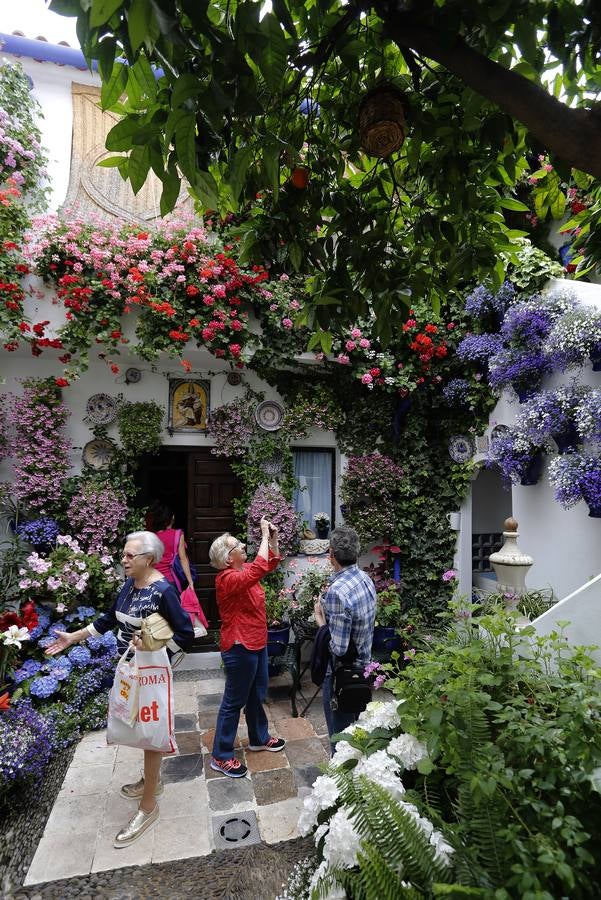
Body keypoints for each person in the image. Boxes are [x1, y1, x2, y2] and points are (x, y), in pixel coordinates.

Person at [45, 531, 194, 848]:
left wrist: (157, 651)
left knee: (152, 733)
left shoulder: (163, 590)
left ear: (148, 560)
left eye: (129, 555)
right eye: (124, 554)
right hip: (129, 669)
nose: (123, 560)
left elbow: (186, 633)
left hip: (152, 670)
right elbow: (108, 619)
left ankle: (148, 807)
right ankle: (151, 781)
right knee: (140, 727)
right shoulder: (130, 584)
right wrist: (74, 636)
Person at [208, 516, 286, 778]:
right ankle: (221, 755)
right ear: (228, 559)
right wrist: (263, 536)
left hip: (257, 641)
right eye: (237, 545)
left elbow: (270, 562)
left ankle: (258, 737)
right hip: (239, 645)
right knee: (234, 701)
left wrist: (273, 539)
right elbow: (260, 567)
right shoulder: (226, 579)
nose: (243, 545)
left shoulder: (243, 571)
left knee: (256, 693)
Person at [313, 525, 376, 750]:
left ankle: (341, 784)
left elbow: (338, 648)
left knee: (341, 744)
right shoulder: (365, 578)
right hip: (364, 669)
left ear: (331, 555)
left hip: (344, 676)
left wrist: (320, 619)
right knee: (355, 733)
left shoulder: (337, 592)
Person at [148, 502, 195, 593]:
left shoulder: (151, 537)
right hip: (170, 580)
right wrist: (190, 582)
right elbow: (183, 559)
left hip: (154, 580)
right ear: (172, 518)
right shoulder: (177, 534)